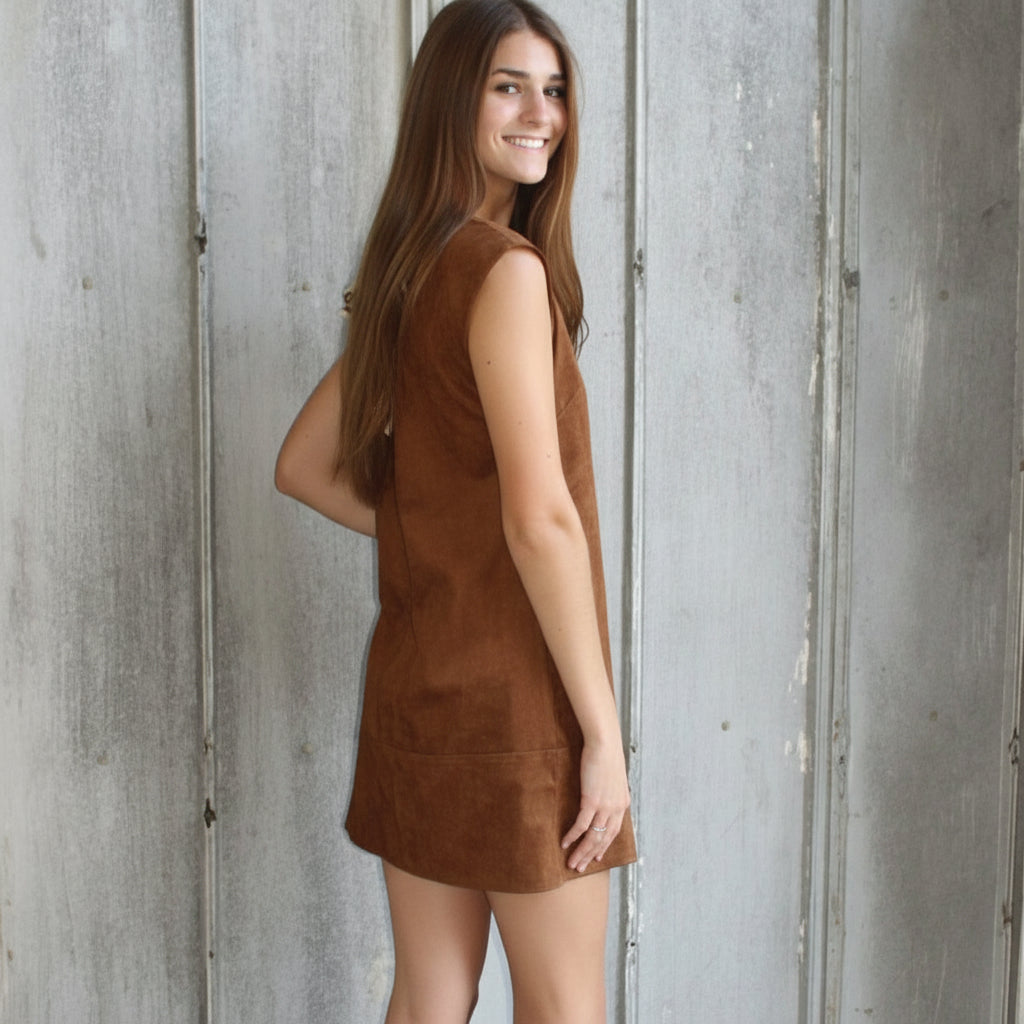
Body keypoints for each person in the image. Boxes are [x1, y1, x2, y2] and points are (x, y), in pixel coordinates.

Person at [275, 1, 636, 1020]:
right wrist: (601, 736)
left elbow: (304, 464)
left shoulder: (411, 268)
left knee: (431, 994)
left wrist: (436, 531)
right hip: (520, 711)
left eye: (554, 88)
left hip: (416, 692)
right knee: (563, 1006)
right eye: (507, 86)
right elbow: (542, 521)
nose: (541, 113)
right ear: (452, 100)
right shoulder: (507, 274)